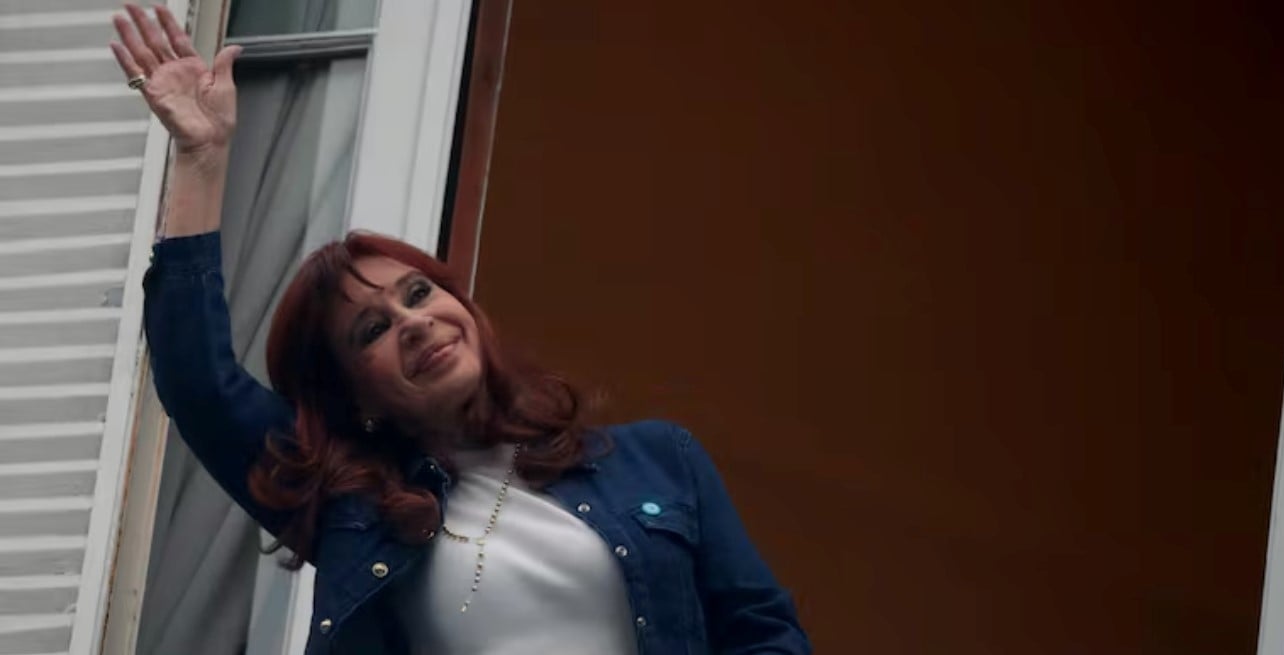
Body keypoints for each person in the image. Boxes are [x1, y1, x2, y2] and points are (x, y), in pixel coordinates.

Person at [111, 5, 810, 654]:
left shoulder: (657, 460)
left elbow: (764, 632)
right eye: (373, 330)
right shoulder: (357, 512)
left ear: (465, 307)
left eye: (419, 293)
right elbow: (199, 383)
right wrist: (201, 160)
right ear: (357, 394)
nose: (414, 322)